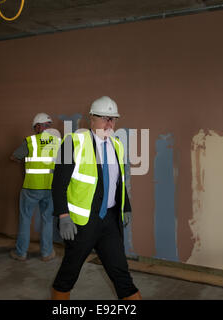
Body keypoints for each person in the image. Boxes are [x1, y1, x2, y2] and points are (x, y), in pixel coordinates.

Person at [51, 96, 141, 300]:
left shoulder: (117, 146)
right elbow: (58, 185)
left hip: (109, 222)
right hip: (82, 223)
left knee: (121, 273)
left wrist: (125, 206)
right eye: (104, 118)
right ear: (91, 118)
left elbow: (120, 182)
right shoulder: (72, 142)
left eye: (113, 119)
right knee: (69, 272)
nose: (109, 123)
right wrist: (63, 215)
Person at [10, 113, 60, 262]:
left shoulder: (30, 141)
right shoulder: (58, 142)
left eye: (35, 127)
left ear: (38, 126)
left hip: (31, 187)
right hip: (50, 187)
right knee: (47, 220)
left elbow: (13, 157)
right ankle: (46, 253)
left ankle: (21, 253)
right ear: (48, 126)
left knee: (25, 219)